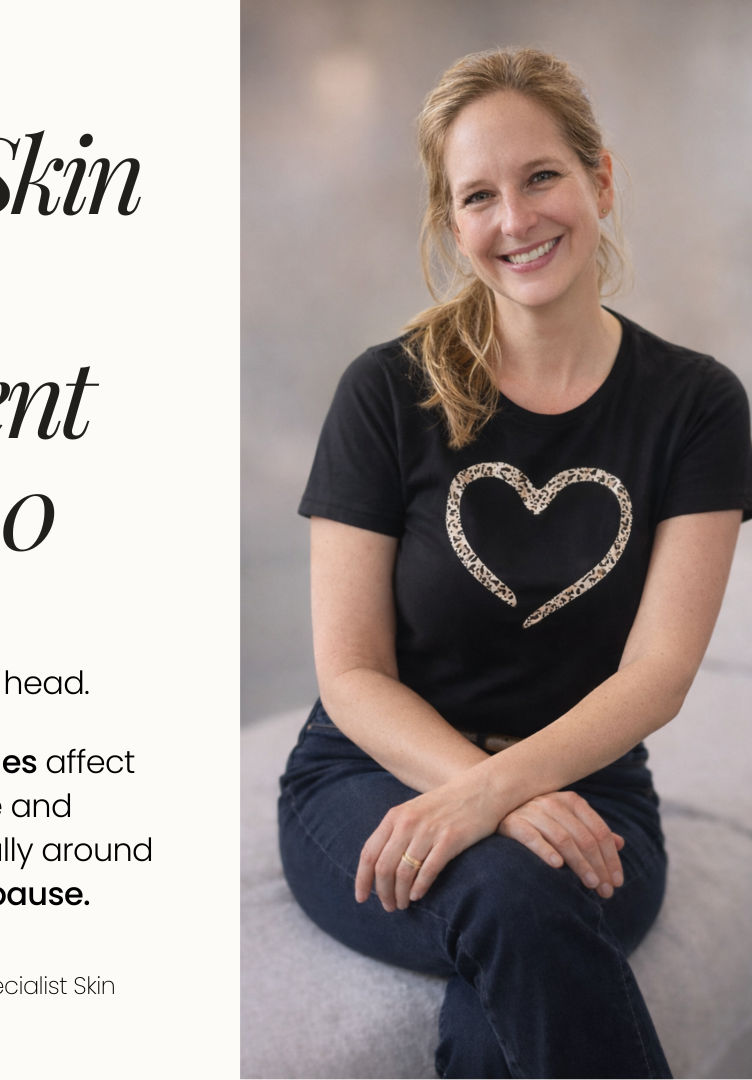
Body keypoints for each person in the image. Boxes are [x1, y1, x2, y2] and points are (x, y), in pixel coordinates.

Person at [280, 47, 752, 1079]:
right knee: (510, 891)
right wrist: (492, 794)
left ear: (601, 181)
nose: (516, 218)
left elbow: (659, 673)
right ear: (455, 224)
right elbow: (351, 676)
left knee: (500, 993)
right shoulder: (384, 394)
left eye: (541, 176)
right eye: (479, 195)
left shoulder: (698, 406)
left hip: (594, 789)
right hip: (372, 776)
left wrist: (506, 789)